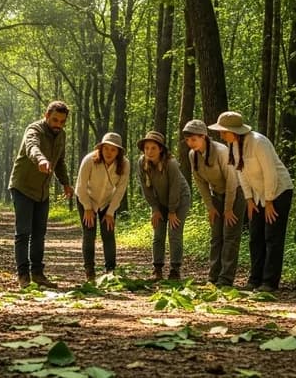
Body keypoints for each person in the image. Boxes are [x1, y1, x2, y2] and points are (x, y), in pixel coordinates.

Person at [209, 111, 293, 293]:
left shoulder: (258, 142)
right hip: (257, 195)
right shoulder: (234, 145)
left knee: (272, 237)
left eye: (224, 131)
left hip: (278, 191)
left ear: (234, 130)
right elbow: (241, 172)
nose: (221, 135)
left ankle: (269, 282)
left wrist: (269, 201)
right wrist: (249, 199)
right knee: (256, 236)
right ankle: (255, 279)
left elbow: (270, 173)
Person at [8, 100, 75, 288]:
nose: (58, 125)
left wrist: (66, 183)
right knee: (23, 232)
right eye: (55, 120)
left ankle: (38, 274)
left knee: (39, 233)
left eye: (62, 122)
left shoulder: (61, 135)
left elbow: (60, 161)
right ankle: (23, 276)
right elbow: (32, 147)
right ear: (46, 116)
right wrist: (41, 159)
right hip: (22, 186)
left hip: (42, 191)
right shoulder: (34, 130)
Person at [182, 119, 244, 287]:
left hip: (235, 194)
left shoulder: (221, 151)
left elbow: (232, 181)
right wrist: (210, 207)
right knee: (216, 236)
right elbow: (200, 183)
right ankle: (213, 277)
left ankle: (226, 278)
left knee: (230, 236)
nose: (190, 143)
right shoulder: (192, 155)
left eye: (194, 139)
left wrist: (229, 208)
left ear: (204, 137)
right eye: (188, 140)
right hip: (216, 195)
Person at [75, 132, 130, 282]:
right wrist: (87, 208)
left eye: (113, 150)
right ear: (101, 148)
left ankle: (110, 271)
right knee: (89, 233)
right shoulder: (90, 160)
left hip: (108, 201)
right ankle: (89, 271)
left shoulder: (124, 164)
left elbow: (120, 190)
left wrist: (111, 212)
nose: (109, 153)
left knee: (108, 234)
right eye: (106, 148)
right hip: (86, 198)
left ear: (118, 151)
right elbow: (80, 187)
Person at [136, 130, 191, 281]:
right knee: (158, 233)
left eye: (153, 148)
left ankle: (175, 270)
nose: (149, 151)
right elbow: (145, 188)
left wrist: (172, 211)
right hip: (159, 202)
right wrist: (154, 208)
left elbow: (175, 187)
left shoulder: (171, 164)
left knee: (174, 233)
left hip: (180, 199)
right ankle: (157, 269)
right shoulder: (142, 163)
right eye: (147, 148)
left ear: (160, 149)